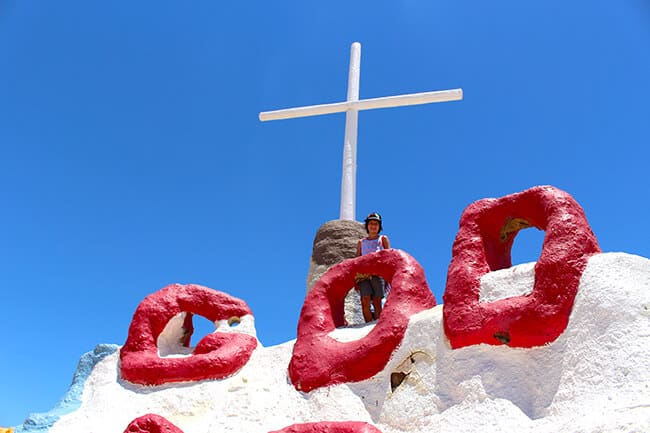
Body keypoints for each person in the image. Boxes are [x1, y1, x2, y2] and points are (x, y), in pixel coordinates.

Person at [355, 212, 391, 322]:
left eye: (376, 224)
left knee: (377, 300)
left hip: (378, 274)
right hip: (364, 275)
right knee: (365, 300)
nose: (373, 226)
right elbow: (357, 258)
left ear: (379, 226)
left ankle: (377, 323)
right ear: (367, 225)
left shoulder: (383, 239)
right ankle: (368, 324)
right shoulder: (361, 242)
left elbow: (389, 256)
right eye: (371, 223)